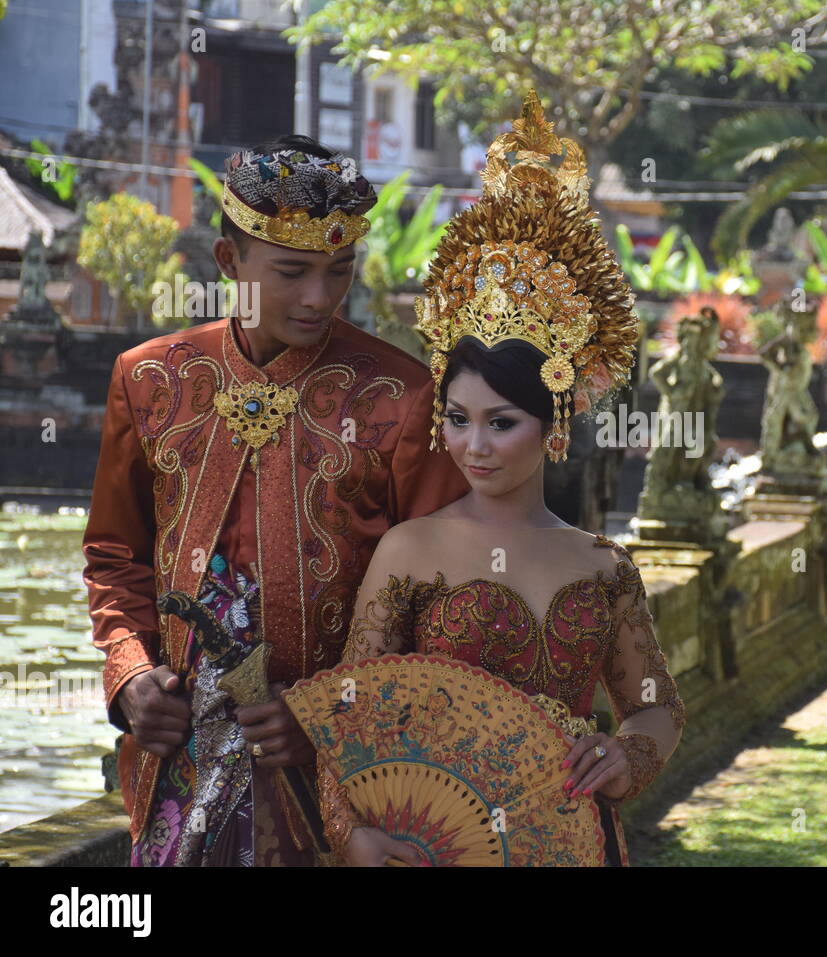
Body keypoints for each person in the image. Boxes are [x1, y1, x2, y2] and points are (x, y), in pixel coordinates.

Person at [316, 90, 685, 866]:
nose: (472, 445)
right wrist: (355, 837)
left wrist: (626, 756)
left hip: (578, 842)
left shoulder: (604, 564)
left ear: (554, 427)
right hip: (440, 848)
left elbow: (656, 710)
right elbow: (349, 716)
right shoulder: (409, 553)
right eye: (457, 418)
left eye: (501, 421)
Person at [83, 134, 470, 866]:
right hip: (179, 760)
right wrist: (130, 673)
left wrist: (332, 715)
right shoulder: (148, 380)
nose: (319, 297)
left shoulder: (404, 396)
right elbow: (114, 555)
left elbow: (443, 605)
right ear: (230, 262)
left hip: (341, 783)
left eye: (340, 270)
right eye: (292, 271)